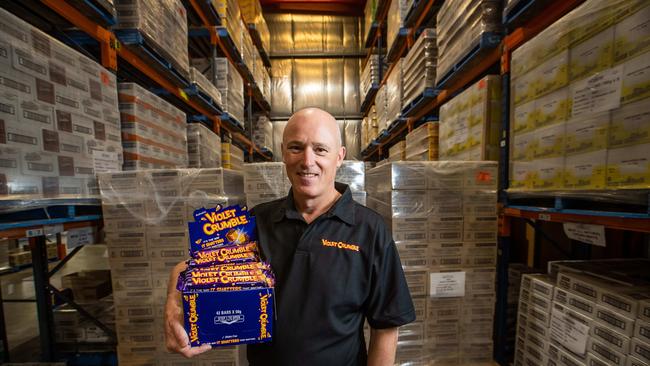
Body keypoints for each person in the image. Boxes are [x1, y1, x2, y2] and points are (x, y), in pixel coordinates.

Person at [165, 107, 415, 365]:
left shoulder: (369, 230)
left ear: (339, 156)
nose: (307, 161)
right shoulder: (256, 222)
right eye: (296, 148)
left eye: (320, 149)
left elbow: (386, 326)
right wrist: (174, 301)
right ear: (284, 152)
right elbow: (196, 268)